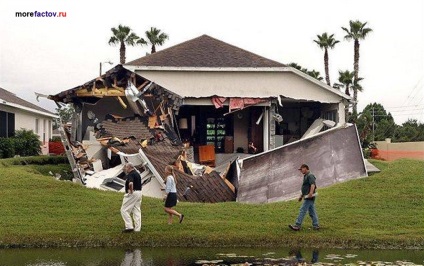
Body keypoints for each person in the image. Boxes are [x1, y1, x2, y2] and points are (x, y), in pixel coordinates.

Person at [289, 164, 320, 231]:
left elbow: (312, 184)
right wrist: (301, 196)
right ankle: (316, 225)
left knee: (302, 210)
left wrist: (311, 193)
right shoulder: (305, 176)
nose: (301, 171)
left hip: (309, 197)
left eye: (301, 169)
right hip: (307, 196)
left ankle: (297, 225)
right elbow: (305, 188)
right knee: (312, 212)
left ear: (305, 168)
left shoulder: (310, 175)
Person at [120, 162, 142, 233]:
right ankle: (137, 229)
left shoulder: (130, 174)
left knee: (124, 210)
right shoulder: (137, 174)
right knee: (136, 210)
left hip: (133, 193)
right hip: (139, 193)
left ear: (129, 168)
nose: (125, 169)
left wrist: (131, 190)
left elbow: (131, 183)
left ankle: (129, 226)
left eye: (126, 167)